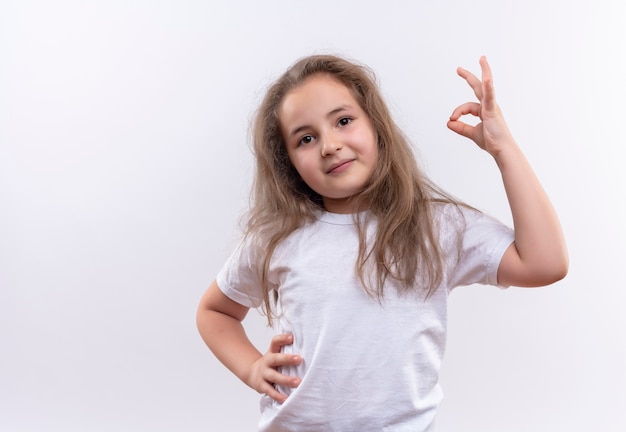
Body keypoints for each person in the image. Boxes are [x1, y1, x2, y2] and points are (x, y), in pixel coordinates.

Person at [196, 54, 568, 431]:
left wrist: (504, 151)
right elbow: (215, 312)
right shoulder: (277, 237)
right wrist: (252, 367)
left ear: (376, 125)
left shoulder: (435, 226)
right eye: (306, 138)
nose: (329, 145)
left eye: (343, 121)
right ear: (287, 161)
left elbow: (544, 264)